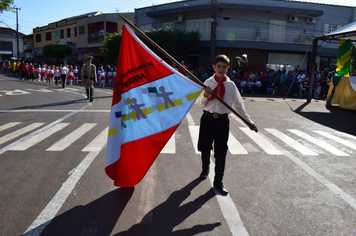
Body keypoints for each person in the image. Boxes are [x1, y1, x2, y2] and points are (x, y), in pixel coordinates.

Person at [197, 54, 258, 195]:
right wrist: (206, 94)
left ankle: (218, 180)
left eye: (224, 66)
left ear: (228, 68)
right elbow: (200, 103)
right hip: (207, 118)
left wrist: (249, 122)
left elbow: (238, 105)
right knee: (205, 146)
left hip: (222, 121)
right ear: (214, 67)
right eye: (218, 66)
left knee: (221, 150)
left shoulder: (230, 85)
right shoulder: (207, 82)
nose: (221, 68)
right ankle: (205, 169)